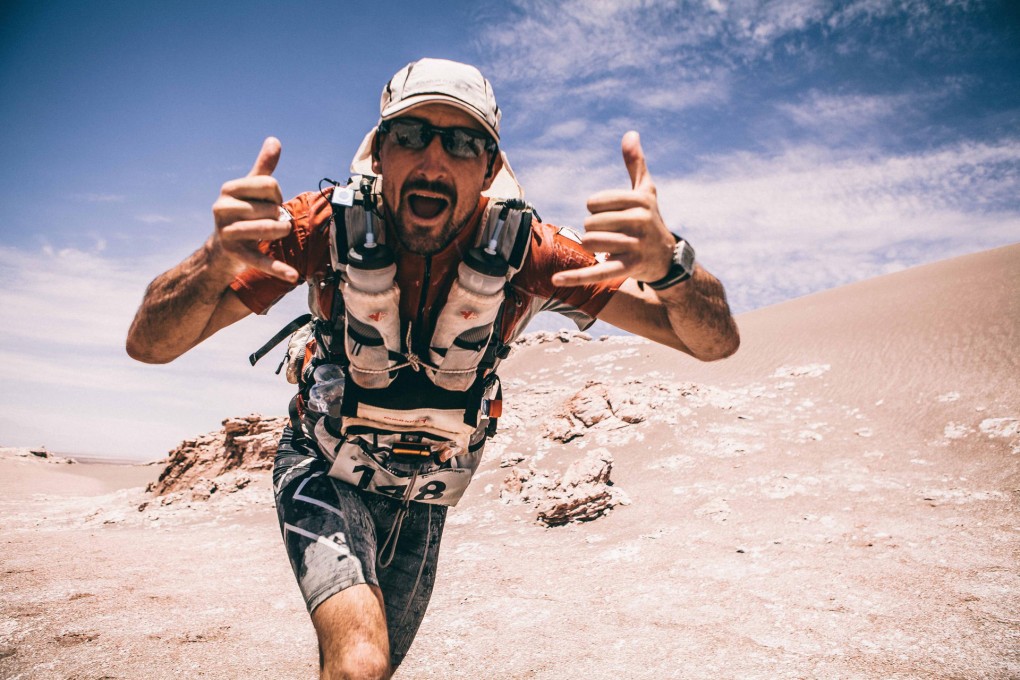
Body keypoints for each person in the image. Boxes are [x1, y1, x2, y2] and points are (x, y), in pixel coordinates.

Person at [126, 58, 738, 680]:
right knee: (360, 659)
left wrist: (672, 267)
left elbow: (710, 343)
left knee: (371, 668)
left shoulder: (532, 252)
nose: (433, 161)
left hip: (426, 493)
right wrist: (210, 260)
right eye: (412, 135)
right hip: (324, 462)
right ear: (381, 151)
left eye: (464, 142)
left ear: (490, 168)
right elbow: (150, 344)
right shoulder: (322, 228)